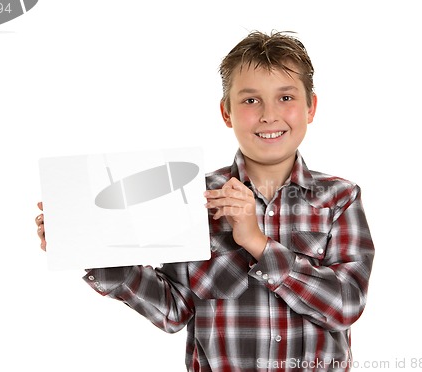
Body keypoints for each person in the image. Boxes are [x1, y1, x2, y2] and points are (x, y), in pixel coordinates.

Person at [36, 31, 375, 371]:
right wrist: (88, 247)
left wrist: (257, 243)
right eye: (250, 100)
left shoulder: (339, 198)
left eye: (286, 97)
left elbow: (346, 305)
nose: (269, 115)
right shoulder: (195, 197)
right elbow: (172, 310)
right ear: (226, 112)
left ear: (310, 107)